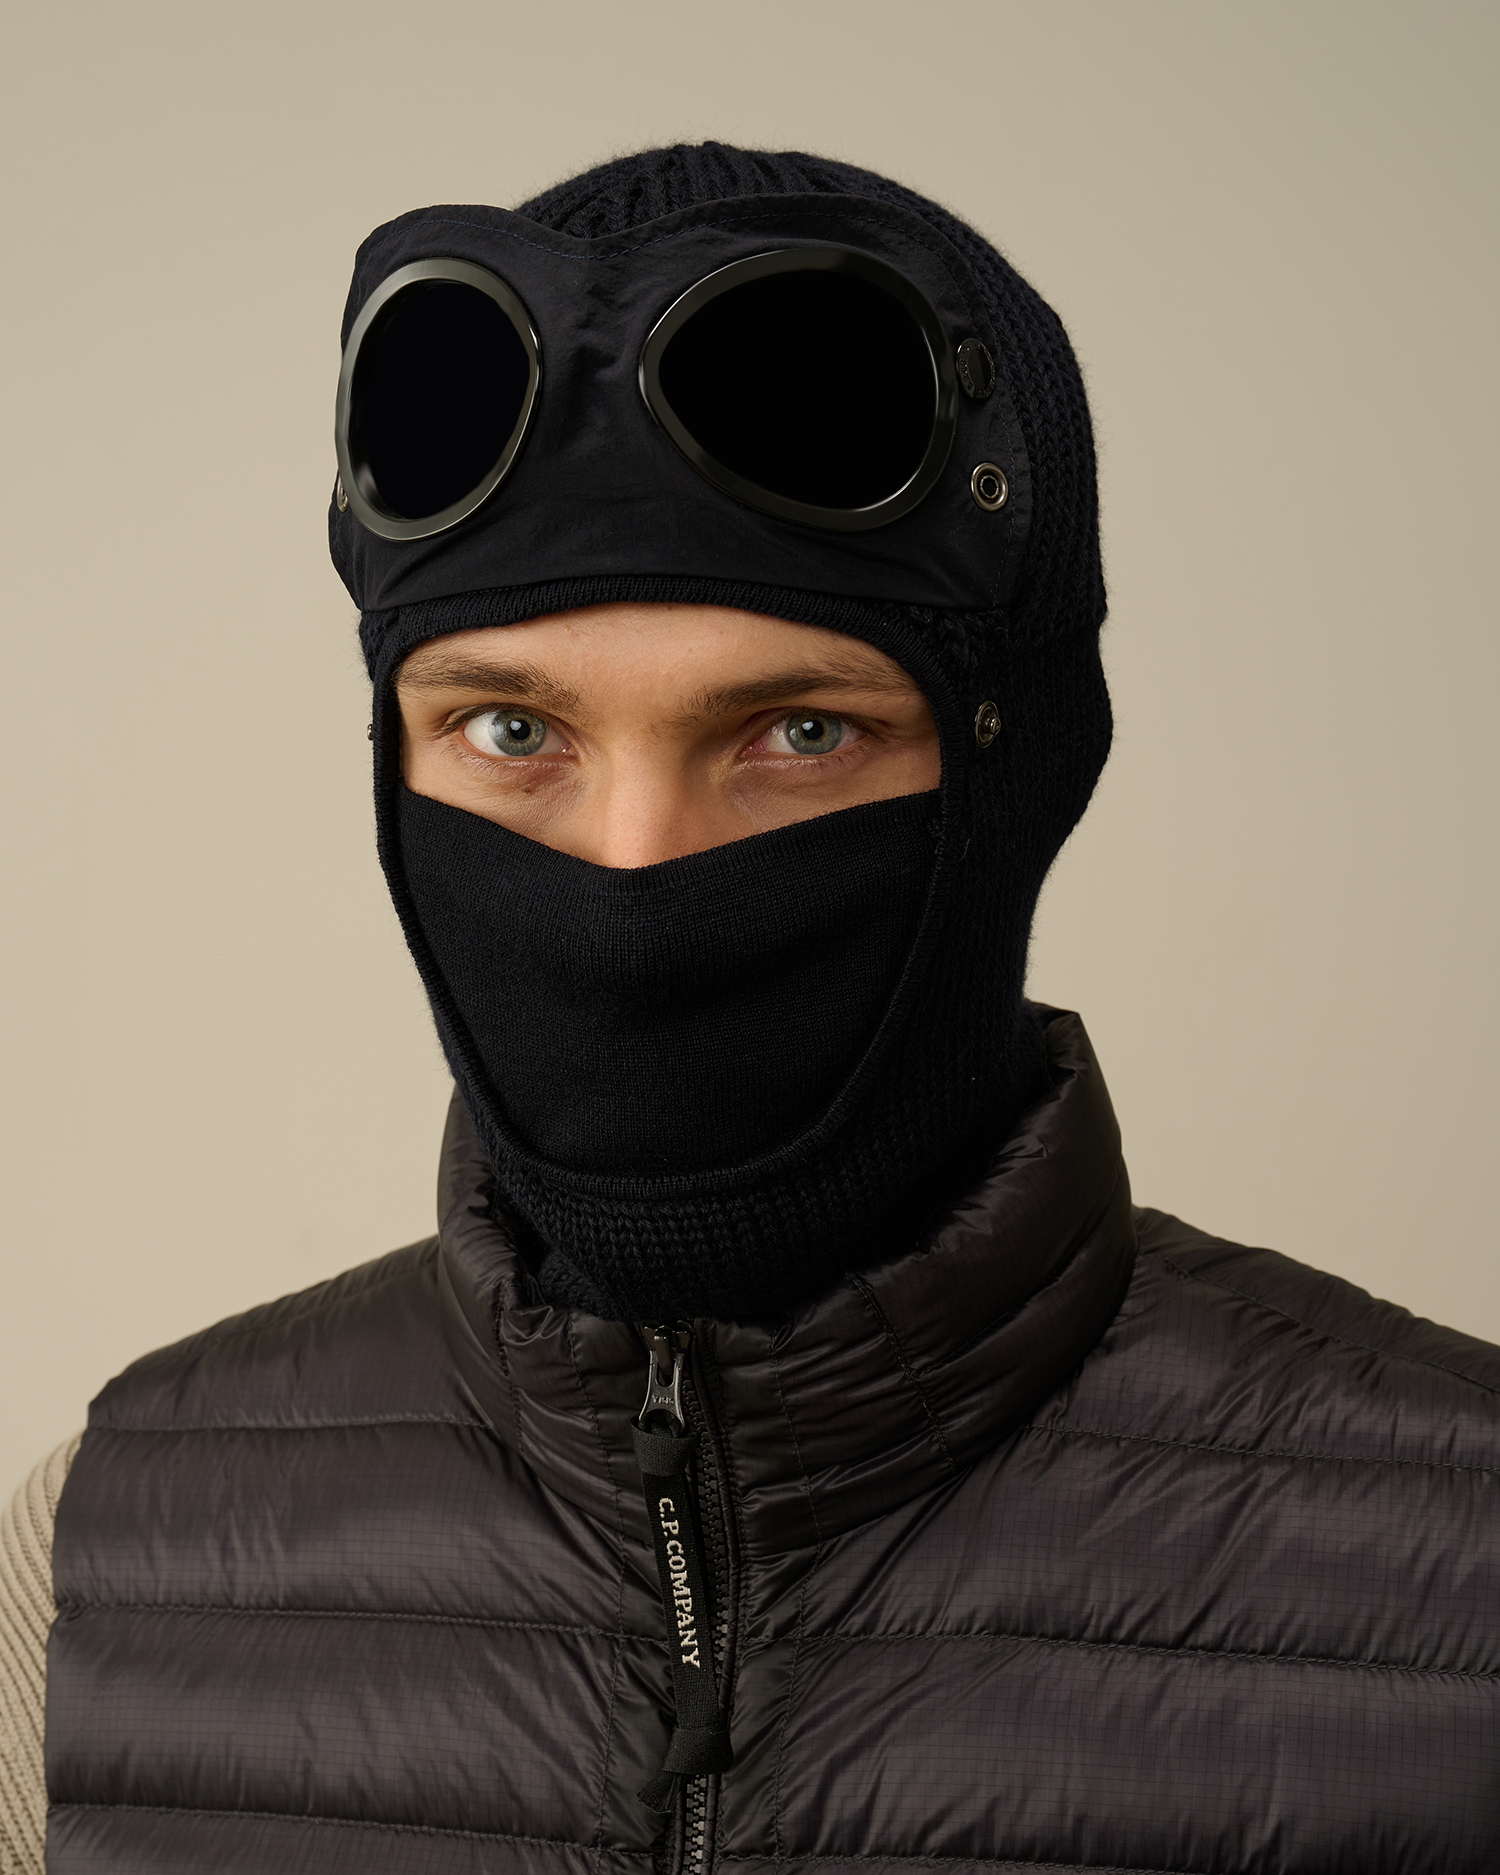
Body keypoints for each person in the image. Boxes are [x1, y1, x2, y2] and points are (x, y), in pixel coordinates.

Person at [2, 141, 1496, 1875]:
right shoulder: (102, 1565)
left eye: (799, 732)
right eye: (511, 732)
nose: (636, 875)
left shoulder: (1461, 1569)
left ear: (1026, 773)